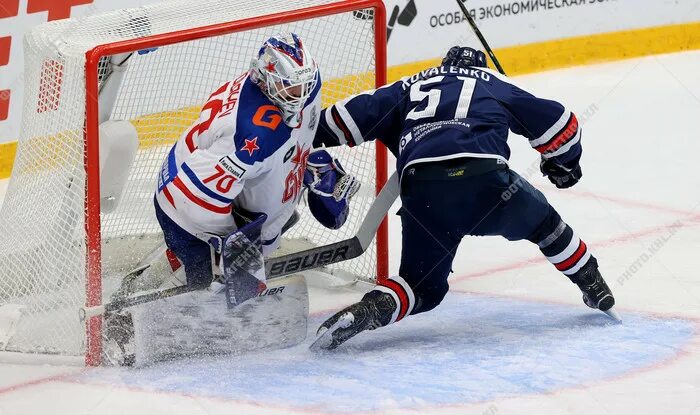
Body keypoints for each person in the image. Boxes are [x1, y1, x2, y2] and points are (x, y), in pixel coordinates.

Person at [311, 46, 617, 350]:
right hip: (486, 183)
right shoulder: (491, 82)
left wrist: (296, 140)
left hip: (423, 190)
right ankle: (592, 282)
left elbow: (336, 121)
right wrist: (563, 164)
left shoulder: (406, 87)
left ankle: (367, 311)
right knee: (547, 228)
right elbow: (562, 124)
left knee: (421, 287)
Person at [104, 33, 358, 364]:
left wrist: (303, 165)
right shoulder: (253, 135)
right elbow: (197, 197)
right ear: (266, 78)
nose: (301, 95)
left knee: (210, 269)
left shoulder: (289, 94)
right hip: (187, 204)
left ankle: (141, 281)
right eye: (291, 88)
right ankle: (122, 316)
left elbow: (294, 136)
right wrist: (230, 245)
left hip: (212, 179)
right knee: (203, 285)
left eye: (303, 86)